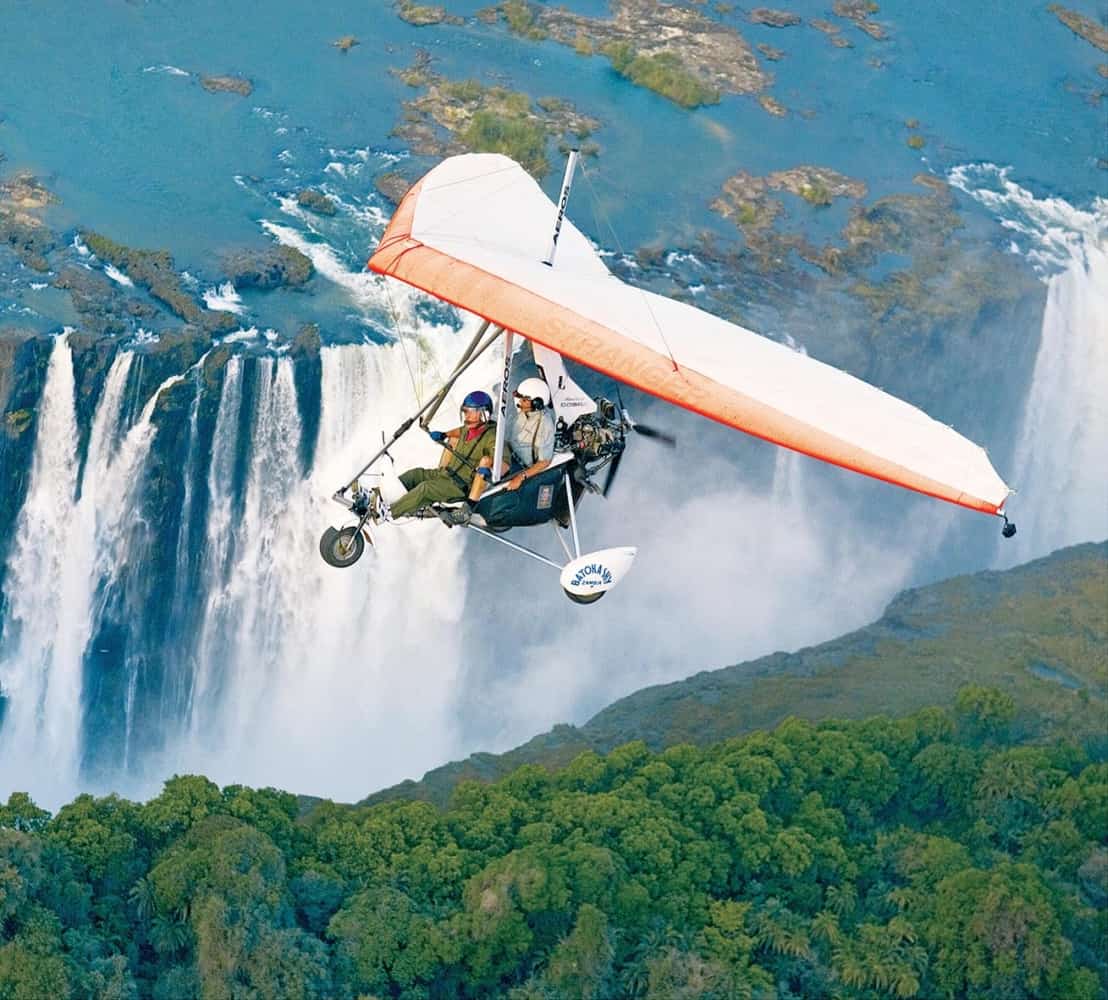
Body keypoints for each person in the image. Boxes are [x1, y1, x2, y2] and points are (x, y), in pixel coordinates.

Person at [382, 390, 501, 522]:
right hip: (445, 474)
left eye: (471, 412)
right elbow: (458, 432)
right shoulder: (469, 429)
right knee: (415, 474)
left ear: (484, 414)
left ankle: (388, 512)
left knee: (425, 489)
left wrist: (488, 468)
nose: (466, 416)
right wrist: (444, 434)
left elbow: (503, 463)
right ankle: (379, 496)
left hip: (459, 486)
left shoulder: (493, 437)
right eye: (465, 411)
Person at [504, 377, 556, 490]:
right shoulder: (522, 413)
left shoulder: (545, 424)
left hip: (520, 467)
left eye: (524, 400)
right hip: (509, 456)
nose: (520, 402)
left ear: (537, 403)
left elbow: (544, 462)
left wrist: (521, 477)